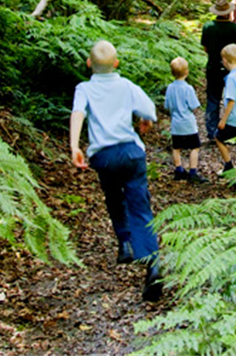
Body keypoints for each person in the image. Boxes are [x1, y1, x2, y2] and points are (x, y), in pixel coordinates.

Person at [69, 40, 164, 302]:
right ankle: (152, 264)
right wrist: (145, 119)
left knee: (113, 195)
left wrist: (75, 147)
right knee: (140, 205)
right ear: (117, 64)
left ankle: (124, 243)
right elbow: (149, 111)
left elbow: (78, 114)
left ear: (89, 64)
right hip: (132, 153)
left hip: (105, 156)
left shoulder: (84, 88)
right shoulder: (127, 86)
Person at [200, 0, 236, 143]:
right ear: (228, 12)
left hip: (213, 68)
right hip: (232, 69)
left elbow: (205, 48)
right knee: (232, 99)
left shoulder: (208, 27)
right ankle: (232, 131)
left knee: (213, 99)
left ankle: (212, 133)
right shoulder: (235, 29)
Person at [164, 57, 208, 184]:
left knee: (176, 147)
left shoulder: (170, 88)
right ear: (186, 72)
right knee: (194, 147)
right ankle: (192, 171)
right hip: (188, 124)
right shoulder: (188, 89)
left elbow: (167, 106)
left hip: (175, 124)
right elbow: (194, 106)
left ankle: (179, 169)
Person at [215, 43, 236, 172]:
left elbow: (231, 101)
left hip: (234, 118)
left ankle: (228, 165)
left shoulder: (231, 78)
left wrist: (223, 119)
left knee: (218, 138)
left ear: (225, 60)